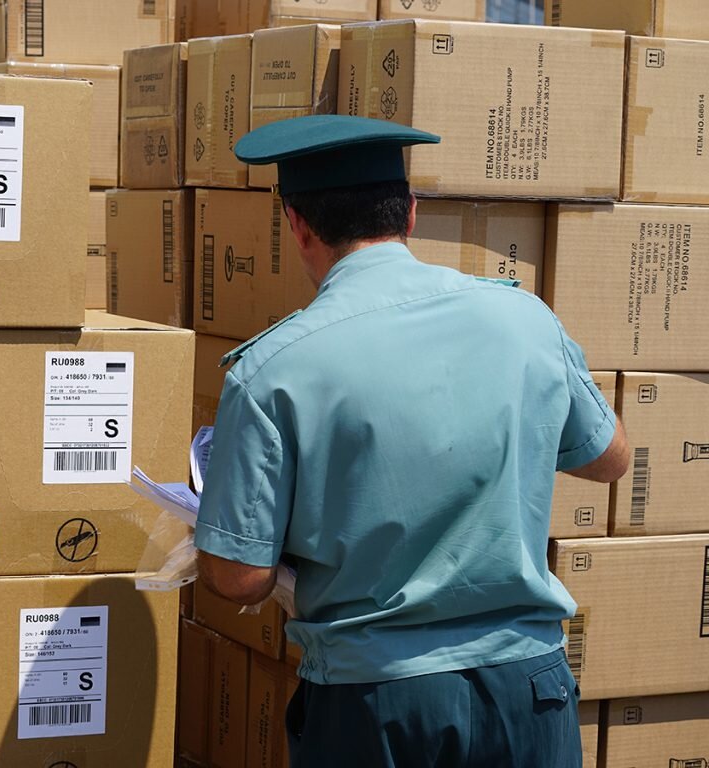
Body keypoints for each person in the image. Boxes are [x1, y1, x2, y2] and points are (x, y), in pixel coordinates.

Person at [193, 115, 629, 767]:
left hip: (376, 703)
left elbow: (238, 577)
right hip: (527, 690)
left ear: (297, 225)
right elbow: (611, 458)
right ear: (411, 212)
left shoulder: (271, 371)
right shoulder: (526, 320)